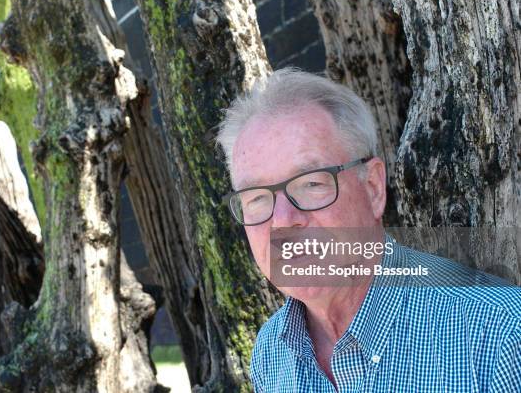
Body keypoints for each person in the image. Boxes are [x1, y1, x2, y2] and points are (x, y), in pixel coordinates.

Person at [215, 68, 520, 392]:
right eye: (257, 198)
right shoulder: (271, 353)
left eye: (311, 184)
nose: (283, 219)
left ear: (373, 187)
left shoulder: (498, 335)